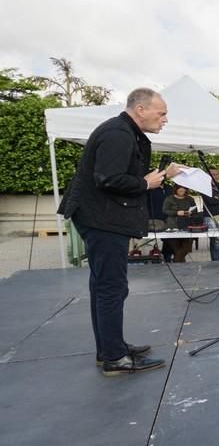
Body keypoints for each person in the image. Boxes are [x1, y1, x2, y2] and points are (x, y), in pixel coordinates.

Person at [58, 87, 180, 375]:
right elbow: (110, 179)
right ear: (140, 109)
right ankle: (114, 357)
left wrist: (162, 177)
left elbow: (129, 177)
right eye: (161, 113)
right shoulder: (118, 133)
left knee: (103, 286)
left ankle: (110, 349)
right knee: (112, 287)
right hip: (102, 219)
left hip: (101, 217)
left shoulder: (125, 132)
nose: (164, 119)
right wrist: (147, 184)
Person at [162, 184, 197, 262]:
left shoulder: (189, 199)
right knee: (177, 249)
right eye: (180, 189)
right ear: (176, 189)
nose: (183, 190)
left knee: (186, 248)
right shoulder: (169, 198)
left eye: (184, 189)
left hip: (187, 225)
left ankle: (177, 266)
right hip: (173, 226)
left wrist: (190, 213)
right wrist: (176, 213)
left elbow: (195, 209)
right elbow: (165, 210)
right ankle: (179, 268)